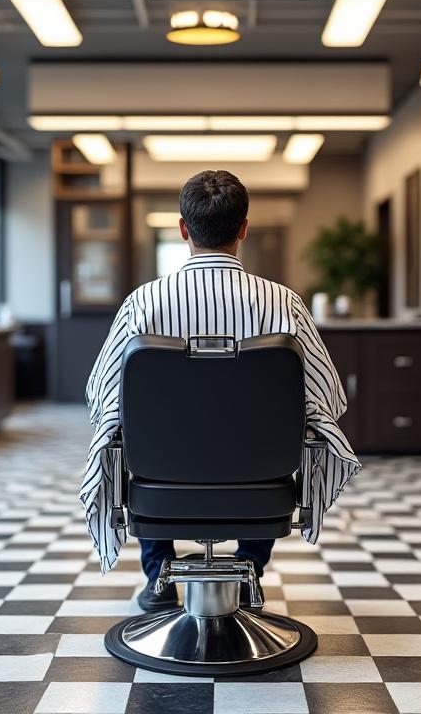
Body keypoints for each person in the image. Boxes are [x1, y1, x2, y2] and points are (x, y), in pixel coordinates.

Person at [80, 169, 360, 611]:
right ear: (244, 229)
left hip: (160, 488)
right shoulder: (284, 304)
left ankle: (158, 578)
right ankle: (250, 569)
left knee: (138, 436)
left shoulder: (143, 304)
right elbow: (329, 399)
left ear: (183, 229)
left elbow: (102, 397)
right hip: (260, 488)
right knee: (269, 440)